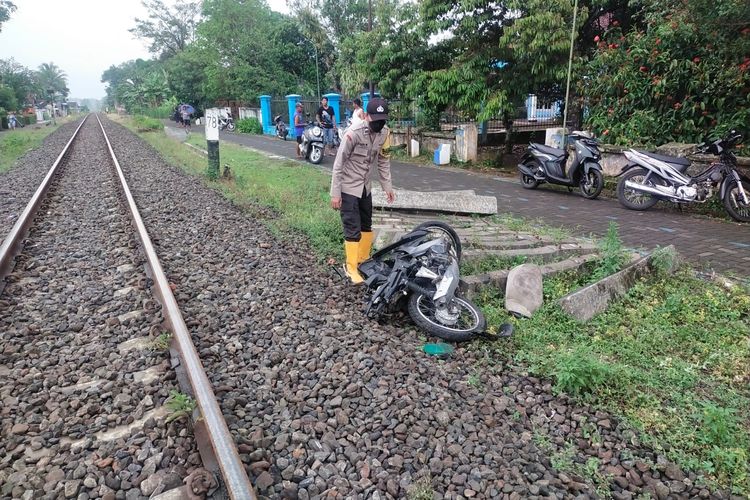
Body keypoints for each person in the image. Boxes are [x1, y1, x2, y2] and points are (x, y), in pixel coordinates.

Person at [330, 98, 396, 284]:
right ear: (367, 116)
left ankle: (363, 260)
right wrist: (335, 193)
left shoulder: (385, 133)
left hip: (365, 187)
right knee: (353, 227)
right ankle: (350, 267)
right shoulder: (353, 133)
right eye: (376, 120)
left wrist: (387, 187)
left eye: (382, 120)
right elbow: (338, 164)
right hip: (349, 186)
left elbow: (383, 160)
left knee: (366, 223)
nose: (379, 124)